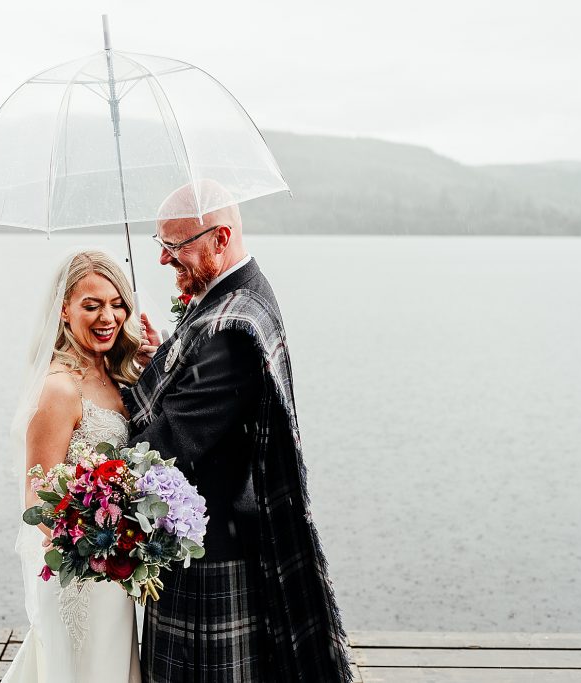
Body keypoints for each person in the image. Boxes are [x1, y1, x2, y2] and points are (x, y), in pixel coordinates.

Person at [124, 181, 354, 682]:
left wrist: (91, 430)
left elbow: (163, 448)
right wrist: (163, 355)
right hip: (221, 534)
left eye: (174, 246)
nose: (164, 260)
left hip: (209, 559)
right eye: (160, 245)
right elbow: (210, 390)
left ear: (220, 237)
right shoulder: (234, 294)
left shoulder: (231, 329)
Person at [5, 249, 159, 683]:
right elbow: (36, 497)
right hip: (80, 577)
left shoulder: (118, 374)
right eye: (91, 305)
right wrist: (97, 542)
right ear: (64, 312)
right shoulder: (58, 389)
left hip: (117, 573)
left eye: (116, 304)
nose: (107, 316)